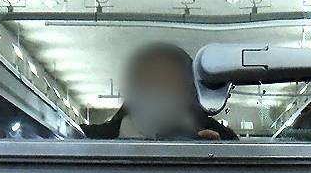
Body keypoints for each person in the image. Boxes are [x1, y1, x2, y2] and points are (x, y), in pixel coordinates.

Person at [83, 43, 237, 141]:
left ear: (191, 93)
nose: (159, 93)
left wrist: (211, 157)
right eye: (149, 82)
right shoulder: (83, 139)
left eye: (172, 85)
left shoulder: (222, 141)